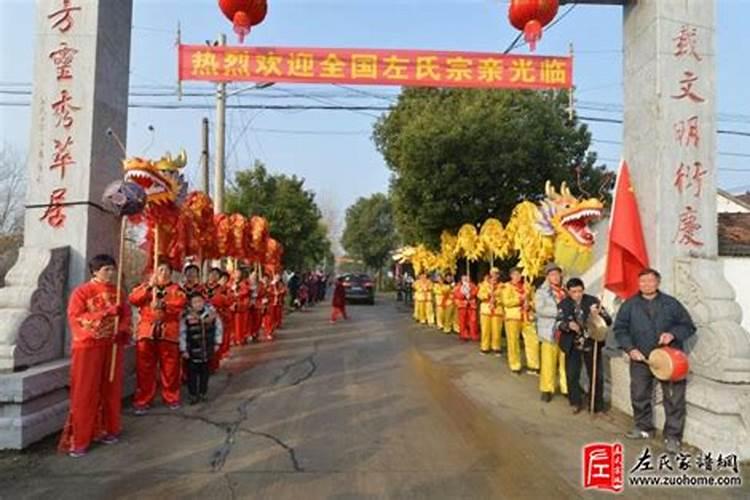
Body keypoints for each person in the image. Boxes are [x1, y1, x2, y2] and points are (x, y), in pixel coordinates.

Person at [614, 268, 696, 454]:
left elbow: (688, 326)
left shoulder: (671, 303)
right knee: (639, 394)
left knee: (674, 398)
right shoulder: (630, 305)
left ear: (657, 283)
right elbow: (620, 329)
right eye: (642, 281)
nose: (646, 285)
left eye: (650, 281)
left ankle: (673, 437)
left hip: (669, 359)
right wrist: (630, 348)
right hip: (641, 357)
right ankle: (644, 428)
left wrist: (672, 334)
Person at [58, 254, 131, 457]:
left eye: (112, 269)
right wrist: (105, 313)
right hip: (88, 346)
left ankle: (110, 429)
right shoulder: (82, 292)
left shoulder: (118, 293)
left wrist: (122, 329)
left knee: (111, 387)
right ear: (94, 271)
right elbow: (76, 318)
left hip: (111, 345)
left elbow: (126, 315)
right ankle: (80, 439)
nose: (111, 273)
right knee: (85, 391)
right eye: (106, 269)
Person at [129, 260, 188, 414]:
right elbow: (133, 300)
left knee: (170, 368)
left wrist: (164, 305)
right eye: (159, 270)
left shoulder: (176, 289)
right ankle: (143, 399)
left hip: (168, 331)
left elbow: (181, 303)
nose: (163, 273)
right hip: (146, 332)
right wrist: (149, 287)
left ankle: (171, 396)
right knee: (145, 368)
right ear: (153, 272)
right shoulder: (145, 288)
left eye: (166, 270)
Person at [556, 277, 612, 414]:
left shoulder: (593, 301)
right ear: (568, 291)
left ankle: (596, 405)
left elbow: (608, 320)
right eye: (574, 292)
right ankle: (575, 402)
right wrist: (567, 325)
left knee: (596, 374)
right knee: (572, 374)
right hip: (572, 343)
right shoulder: (563, 304)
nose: (577, 294)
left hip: (591, 342)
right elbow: (558, 323)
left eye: (580, 291)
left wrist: (598, 315)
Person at [179, 292, 223, 405]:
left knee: (205, 373)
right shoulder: (186, 317)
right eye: (195, 302)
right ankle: (193, 395)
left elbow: (219, 329)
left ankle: (203, 393)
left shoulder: (212, 315)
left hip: (207, 349)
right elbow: (182, 333)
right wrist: (183, 349)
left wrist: (217, 343)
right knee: (192, 375)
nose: (198, 304)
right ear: (191, 304)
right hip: (191, 350)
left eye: (200, 301)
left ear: (204, 302)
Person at [536, 263, 568, 402]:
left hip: (565, 331)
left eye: (557, 274)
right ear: (548, 277)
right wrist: (558, 313)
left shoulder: (565, 291)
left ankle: (566, 388)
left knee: (565, 361)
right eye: (552, 274)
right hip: (549, 331)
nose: (555, 277)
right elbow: (540, 309)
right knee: (548, 362)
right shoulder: (542, 292)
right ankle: (547, 389)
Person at [502, 267, 540, 374]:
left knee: (532, 340)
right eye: (515, 274)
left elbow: (534, 300)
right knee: (513, 341)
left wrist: (531, 305)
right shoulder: (507, 287)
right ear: (511, 275)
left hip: (527, 316)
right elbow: (506, 301)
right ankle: (515, 364)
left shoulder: (527, 286)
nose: (518, 276)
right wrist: (520, 299)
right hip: (513, 317)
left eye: (519, 274)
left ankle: (533, 364)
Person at [205, 267, 231, 371]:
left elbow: (228, 302)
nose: (213, 277)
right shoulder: (202, 288)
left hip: (217, 317)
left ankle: (213, 364)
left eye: (216, 275)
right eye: (211, 274)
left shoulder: (223, 289)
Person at [478, 268, 504, 356]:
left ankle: (496, 347)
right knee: (485, 329)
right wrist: (488, 295)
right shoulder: (484, 285)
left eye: (496, 274)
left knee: (496, 330)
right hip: (486, 309)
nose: (494, 276)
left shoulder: (502, 285)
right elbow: (480, 295)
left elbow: (504, 297)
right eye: (492, 274)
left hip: (497, 310)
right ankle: (485, 347)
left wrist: (496, 300)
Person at [453, 273, 479, 342]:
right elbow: (456, 294)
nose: (465, 279)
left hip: (471, 305)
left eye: (467, 278)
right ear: (461, 279)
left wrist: (470, 294)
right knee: (462, 321)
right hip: (462, 305)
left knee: (473, 321)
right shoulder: (458, 286)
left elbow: (475, 292)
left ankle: (474, 335)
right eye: (464, 278)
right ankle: (464, 335)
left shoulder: (472, 285)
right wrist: (463, 294)